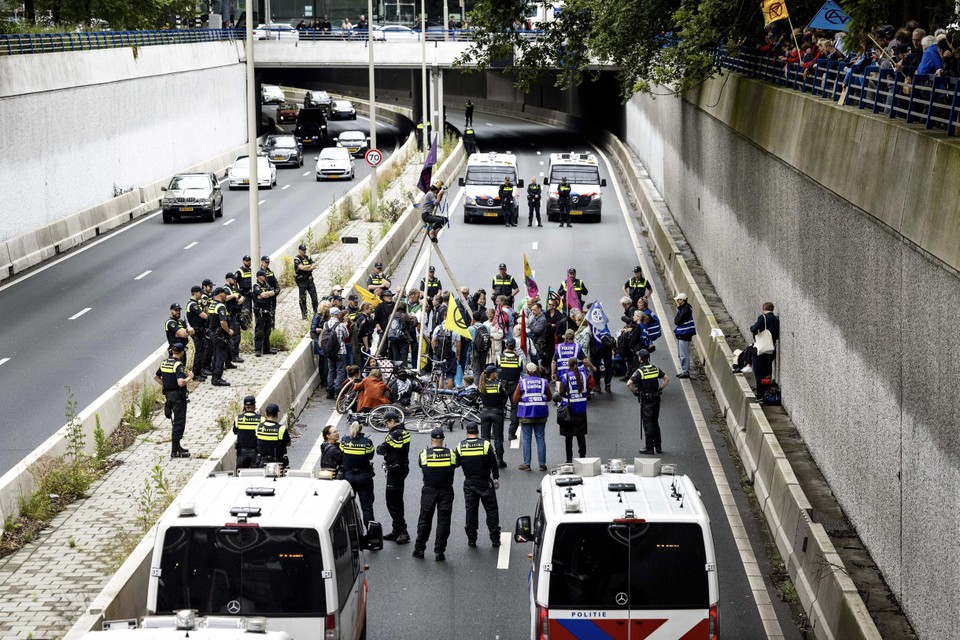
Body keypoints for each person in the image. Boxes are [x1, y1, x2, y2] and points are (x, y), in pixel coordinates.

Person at [413, 428, 459, 561]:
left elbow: (421, 465)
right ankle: (439, 551)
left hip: (429, 490)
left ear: (431, 440)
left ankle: (420, 549)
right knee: (443, 521)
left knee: (425, 519)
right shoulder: (451, 453)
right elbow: (456, 464)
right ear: (443, 440)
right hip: (446, 490)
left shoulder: (424, 454)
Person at [455, 421, 501, 547]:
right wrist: (496, 478)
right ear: (478, 431)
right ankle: (495, 539)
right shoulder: (485, 445)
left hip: (469, 483)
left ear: (467, 432)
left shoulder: (461, 446)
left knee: (471, 511)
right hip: (485, 482)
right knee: (491, 510)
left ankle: (471, 539)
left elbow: (456, 463)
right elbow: (494, 463)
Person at [376, 410, 411, 544]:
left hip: (394, 470)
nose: (386, 425)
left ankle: (403, 531)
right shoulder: (405, 432)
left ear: (391, 421)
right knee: (398, 500)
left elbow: (380, 449)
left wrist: (386, 454)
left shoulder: (392, 435)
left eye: (386, 423)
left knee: (392, 501)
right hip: (403, 468)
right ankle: (396, 530)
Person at [627, 349, 669, 455]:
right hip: (656, 399)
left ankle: (649, 448)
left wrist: (635, 392)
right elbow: (666, 379)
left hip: (646, 401)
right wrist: (660, 389)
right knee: (655, 422)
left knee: (648, 424)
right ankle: (658, 447)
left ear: (640, 358)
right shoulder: (655, 368)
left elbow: (629, 383)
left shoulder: (640, 371)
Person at [154, 343, 192, 458]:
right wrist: (190, 377)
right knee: (179, 423)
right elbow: (181, 382)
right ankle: (175, 450)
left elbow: (156, 377)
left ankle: (176, 447)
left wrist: (166, 385)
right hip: (178, 397)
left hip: (168, 396)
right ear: (181, 352)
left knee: (174, 423)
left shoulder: (164, 362)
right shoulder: (178, 365)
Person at [513, 362, 552, 471]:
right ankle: (542, 464)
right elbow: (549, 397)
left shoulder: (522, 383)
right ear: (536, 370)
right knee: (540, 438)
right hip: (540, 414)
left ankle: (527, 464)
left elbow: (515, 399)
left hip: (526, 414)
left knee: (526, 439)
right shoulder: (544, 382)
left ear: (527, 371)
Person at [340, 420, 376, 524]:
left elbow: (342, 453)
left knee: (348, 507)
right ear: (361, 428)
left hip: (348, 477)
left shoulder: (344, 440)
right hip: (364, 476)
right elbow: (370, 456)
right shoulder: (367, 442)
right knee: (367, 507)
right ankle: (371, 535)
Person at [557, 357, 588, 464]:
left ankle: (569, 459)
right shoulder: (583, 376)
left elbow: (561, 392)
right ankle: (582, 457)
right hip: (581, 409)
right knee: (581, 435)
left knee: (568, 437)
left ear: (568, 365)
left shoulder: (565, 376)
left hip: (569, 410)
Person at [478, 364, 508, 468]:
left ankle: (485, 459)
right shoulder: (498, 385)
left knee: (485, 438)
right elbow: (505, 396)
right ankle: (499, 460)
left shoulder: (482, 385)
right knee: (498, 437)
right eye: (496, 372)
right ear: (493, 374)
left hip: (485, 412)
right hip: (497, 412)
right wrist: (501, 406)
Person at [749, 302, 780, 397]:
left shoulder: (763, 318)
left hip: (761, 349)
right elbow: (776, 335)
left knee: (758, 372)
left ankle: (760, 395)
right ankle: (767, 393)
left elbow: (754, 329)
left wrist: (752, 328)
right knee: (767, 371)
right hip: (771, 349)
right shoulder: (776, 319)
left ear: (764, 309)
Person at [206, 288, 234, 386]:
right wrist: (228, 330)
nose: (226, 295)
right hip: (221, 335)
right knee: (220, 357)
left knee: (216, 356)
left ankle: (214, 378)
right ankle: (217, 378)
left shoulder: (212, 304)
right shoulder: (220, 306)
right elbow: (222, 322)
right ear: (219, 294)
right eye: (224, 293)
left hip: (214, 334)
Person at [497, 338, 523, 441]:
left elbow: (497, 369)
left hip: (502, 386)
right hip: (515, 386)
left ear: (506, 345)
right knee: (514, 409)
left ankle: (496, 433)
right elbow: (520, 370)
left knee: (499, 409)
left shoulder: (500, 357)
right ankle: (512, 434)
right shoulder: (518, 359)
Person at [324, 308, 349, 399]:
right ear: (337, 314)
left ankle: (329, 390)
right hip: (340, 351)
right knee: (340, 371)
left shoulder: (325, 324)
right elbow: (346, 335)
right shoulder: (341, 325)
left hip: (329, 351)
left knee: (331, 370)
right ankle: (338, 391)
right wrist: (345, 326)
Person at [185, 286, 210, 380]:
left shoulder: (196, 303)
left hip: (200, 330)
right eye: (200, 292)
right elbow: (205, 316)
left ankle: (199, 371)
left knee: (202, 351)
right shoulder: (193, 305)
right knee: (199, 352)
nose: (201, 294)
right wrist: (205, 307)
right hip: (196, 331)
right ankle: (195, 373)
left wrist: (205, 306)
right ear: (195, 293)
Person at [252, 270, 277, 357]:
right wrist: (266, 294)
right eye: (263, 275)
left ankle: (267, 349)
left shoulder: (266, 284)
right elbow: (261, 295)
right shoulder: (256, 285)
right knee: (259, 331)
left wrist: (266, 294)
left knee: (267, 331)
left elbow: (273, 292)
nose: (265, 276)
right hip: (260, 311)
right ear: (259, 276)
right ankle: (258, 350)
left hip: (267, 310)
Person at [222, 272, 245, 364]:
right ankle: (233, 356)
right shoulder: (225, 289)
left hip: (236, 314)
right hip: (231, 315)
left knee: (237, 336)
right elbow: (225, 298)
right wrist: (234, 296)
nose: (234, 280)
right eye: (233, 279)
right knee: (234, 336)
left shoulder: (233, 288)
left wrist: (241, 298)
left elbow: (239, 296)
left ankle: (234, 355)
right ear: (228, 279)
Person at [233, 395, 261, 469]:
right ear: (254, 406)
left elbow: (235, 432)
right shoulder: (261, 419)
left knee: (241, 476)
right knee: (256, 476)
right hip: (255, 452)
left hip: (242, 453)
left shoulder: (238, 418)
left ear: (245, 406)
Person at [260, 257, 280, 354]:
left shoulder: (270, 272)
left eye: (268, 262)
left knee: (273, 312)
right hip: (266, 298)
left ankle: (272, 326)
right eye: (266, 262)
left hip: (273, 296)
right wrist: (270, 293)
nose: (267, 264)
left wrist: (277, 289)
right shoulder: (260, 272)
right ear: (262, 262)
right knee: (267, 315)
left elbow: (275, 281)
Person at [294, 244, 319, 320]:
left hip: (310, 280)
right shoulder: (297, 259)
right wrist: (309, 266)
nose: (304, 251)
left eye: (305, 250)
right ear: (299, 250)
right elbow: (301, 267)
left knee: (314, 297)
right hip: (302, 281)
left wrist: (306, 267)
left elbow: (314, 266)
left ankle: (316, 312)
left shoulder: (307, 257)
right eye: (302, 250)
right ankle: (304, 314)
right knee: (302, 298)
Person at [673, 293, 695, 378]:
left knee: (683, 354)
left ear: (682, 300)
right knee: (681, 354)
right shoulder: (684, 308)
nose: (677, 301)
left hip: (684, 334)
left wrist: (677, 318)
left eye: (678, 300)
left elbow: (677, 321)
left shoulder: (685, 309)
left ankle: (685, 371)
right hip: (681, 334)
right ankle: (684, 370)